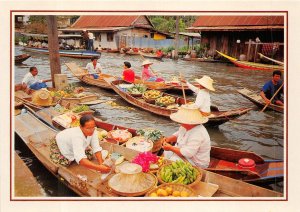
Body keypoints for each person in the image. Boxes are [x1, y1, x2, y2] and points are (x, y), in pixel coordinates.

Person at [162, 104, 211, 168]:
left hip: (196, 162)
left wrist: (170, 148)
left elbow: (187, 153)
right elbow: (178, 134)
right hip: (184, 151)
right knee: (166, 152)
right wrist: (168, 139)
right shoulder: (185, 126)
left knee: (173, 160)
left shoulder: (198, 133)